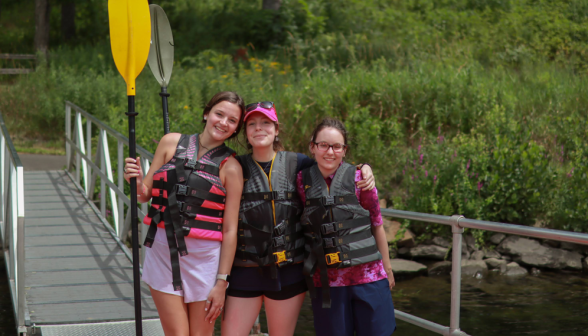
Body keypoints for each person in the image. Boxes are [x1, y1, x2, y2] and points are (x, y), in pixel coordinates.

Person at [221, 102, 375, 336]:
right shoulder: (234, 166)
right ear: (245, 132)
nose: (259, 128)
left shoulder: (298, 163)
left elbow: (333, 164)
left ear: (276, 129)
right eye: (252, 124)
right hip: (245, 270)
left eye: (265, 123)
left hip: (289, 270)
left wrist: (364, 168)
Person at [123, 91, 244, 336]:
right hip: (163, 251)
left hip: (204, 261)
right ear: (206, 114)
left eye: (232, 120)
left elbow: (230, 229)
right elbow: (144, 193)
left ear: (236, 129)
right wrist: (134, 182)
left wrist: (222, 281)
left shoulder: (232, 168)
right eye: (219, 114)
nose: (223, 122)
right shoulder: (170, 142)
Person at [297, 117, 396, 336]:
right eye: (323, 145)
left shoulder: (361, 179)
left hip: (369, 278)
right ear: (312, 147)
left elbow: (377, 225)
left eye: (336, 146)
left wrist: (387, 270)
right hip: (327, 284)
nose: (329, 152)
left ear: (344, 150)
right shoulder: (300, 182)